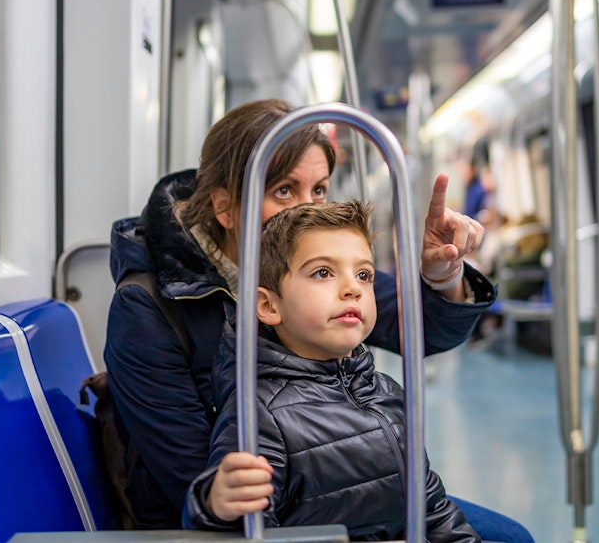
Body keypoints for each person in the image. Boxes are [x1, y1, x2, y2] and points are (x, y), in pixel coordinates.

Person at [104, 98, 497, 530]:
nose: (306, 209)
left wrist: (442, 276)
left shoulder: (318, 264)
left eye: (320, 189)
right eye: (284, 191)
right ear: (225, 207)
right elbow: (196, 481)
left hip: (333, 480)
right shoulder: (149, 307)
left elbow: (417, 330)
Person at [184, 200, 480, 542]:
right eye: (323, 272)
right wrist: (215, 508)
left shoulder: (386, 392)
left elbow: (430, 508)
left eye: (364, 274)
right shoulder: (259, 416)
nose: (352, 288)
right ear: (268, 305)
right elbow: (244, 528)